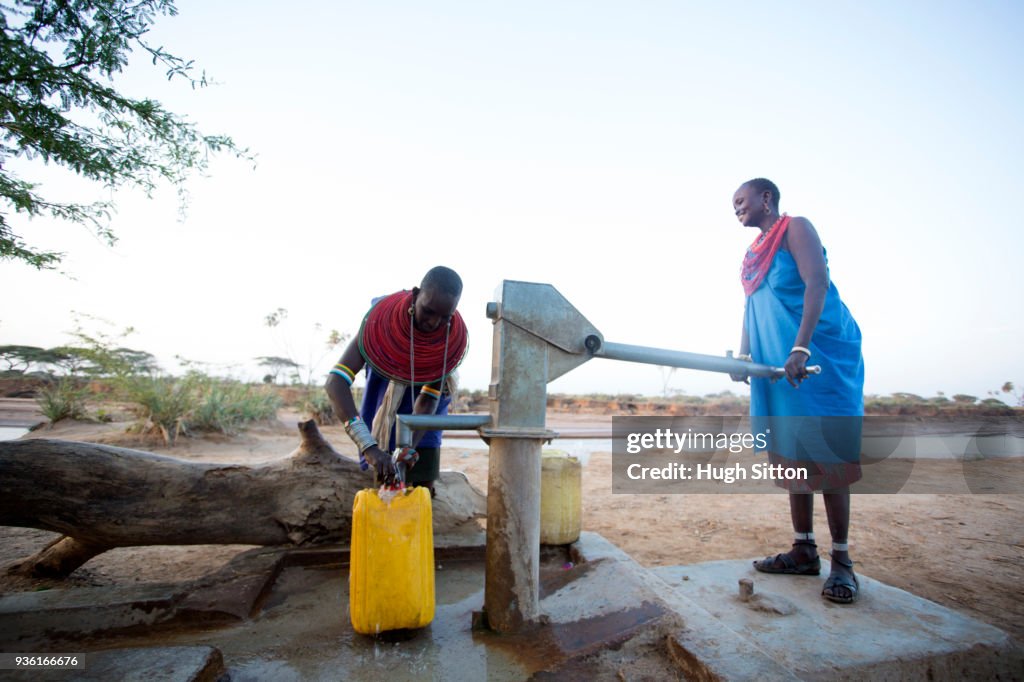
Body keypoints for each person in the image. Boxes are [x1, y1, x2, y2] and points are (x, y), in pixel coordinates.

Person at [730, 178, 865, 604]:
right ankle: (804, 550)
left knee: (828, 457)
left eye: (741, 200)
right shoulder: (753, 253)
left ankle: (841, 562)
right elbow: (753, 306)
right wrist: (744, 356)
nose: (735, 207)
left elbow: (817, 283)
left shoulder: (796, 228)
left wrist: (801, 346)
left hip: (817, 354)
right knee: (792, 455)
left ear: (766, 198)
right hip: (777, 364)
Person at [325, 266, 468, 496]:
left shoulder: (447, 345)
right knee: (381, 481)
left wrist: (408, 450)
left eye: (445, 317)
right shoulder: (378, 325)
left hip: (424, 420)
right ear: (415, 295)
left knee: (420, 489)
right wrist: (369, 447)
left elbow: (427, 402)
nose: (434, 323)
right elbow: (336, 383)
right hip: (383, 403)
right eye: (428, 311)